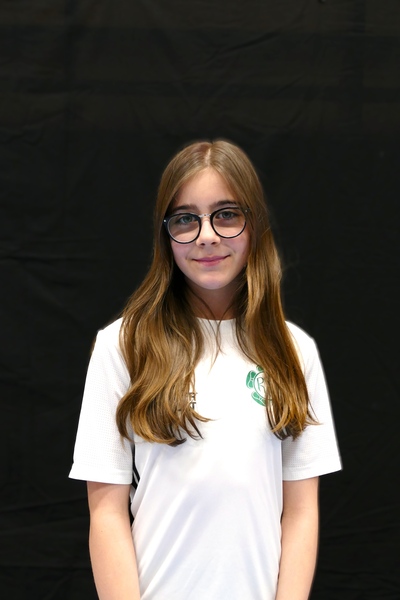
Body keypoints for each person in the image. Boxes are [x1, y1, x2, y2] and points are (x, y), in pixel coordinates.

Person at [69, 139, 341, 600]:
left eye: (226, 214)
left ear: (255, 224)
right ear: (166, 235)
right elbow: (107, 511)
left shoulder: (294, 351)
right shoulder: (124, 344)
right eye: (185, 219)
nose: (207, 236)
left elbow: (300, 512)